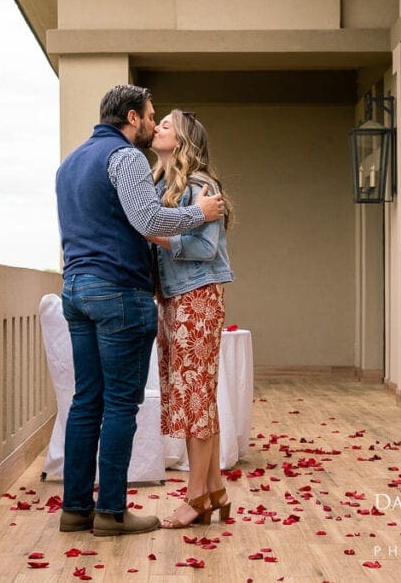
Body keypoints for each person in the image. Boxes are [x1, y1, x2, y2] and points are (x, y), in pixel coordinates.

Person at [54, 85, 225, 537]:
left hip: (74, 287)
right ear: (132, 118)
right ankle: (110, 512)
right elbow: (148, 221)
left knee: (85, 401)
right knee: (119, 405)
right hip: (116, 293)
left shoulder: (69, 163)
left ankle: (74, 509)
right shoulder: (126, 157)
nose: (152, 125)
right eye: (151, 117)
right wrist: (200, 213)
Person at [146, 109, 235, 529]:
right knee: (192, 396)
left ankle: (196, 497)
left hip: (197, 297)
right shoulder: (160, 184)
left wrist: (154, 234)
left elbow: (203, 250)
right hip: (173, 298)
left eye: (166, 124)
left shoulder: (202, 186)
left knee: (195, 398)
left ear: (181, 141)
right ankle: (214, 489)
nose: (157, 127)